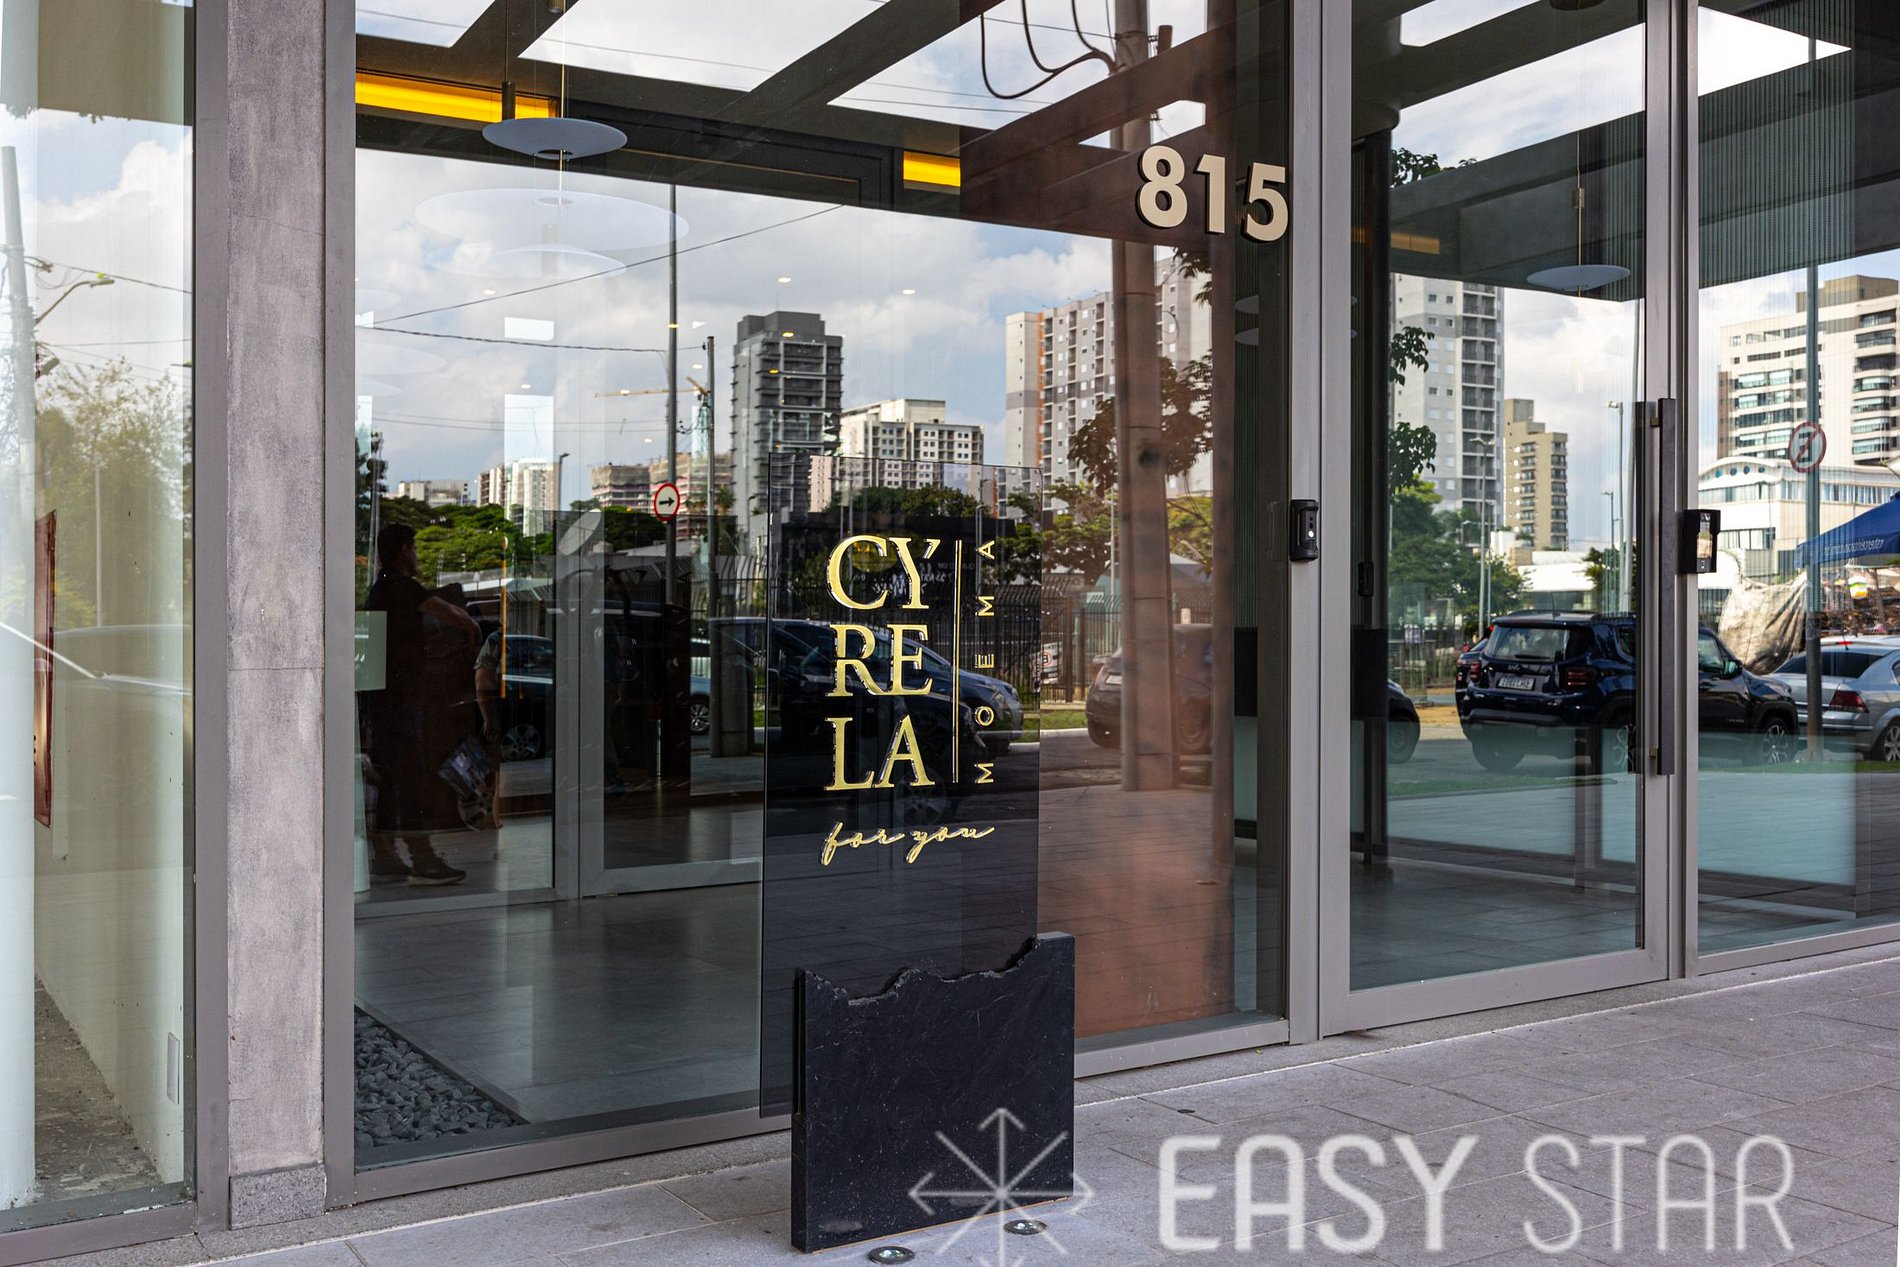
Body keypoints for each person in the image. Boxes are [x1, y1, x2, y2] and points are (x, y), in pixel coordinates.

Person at [362, 523, 480, 886]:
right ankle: (423, 858)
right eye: (413, 548)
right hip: (398, 700)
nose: (416, 556)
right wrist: (473, 629)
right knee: (410, 775)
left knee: (393, 777)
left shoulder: (380, 589)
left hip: (383, 699)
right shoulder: (401, 586)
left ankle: (385, 855)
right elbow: (449, 613)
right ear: (403, 550)